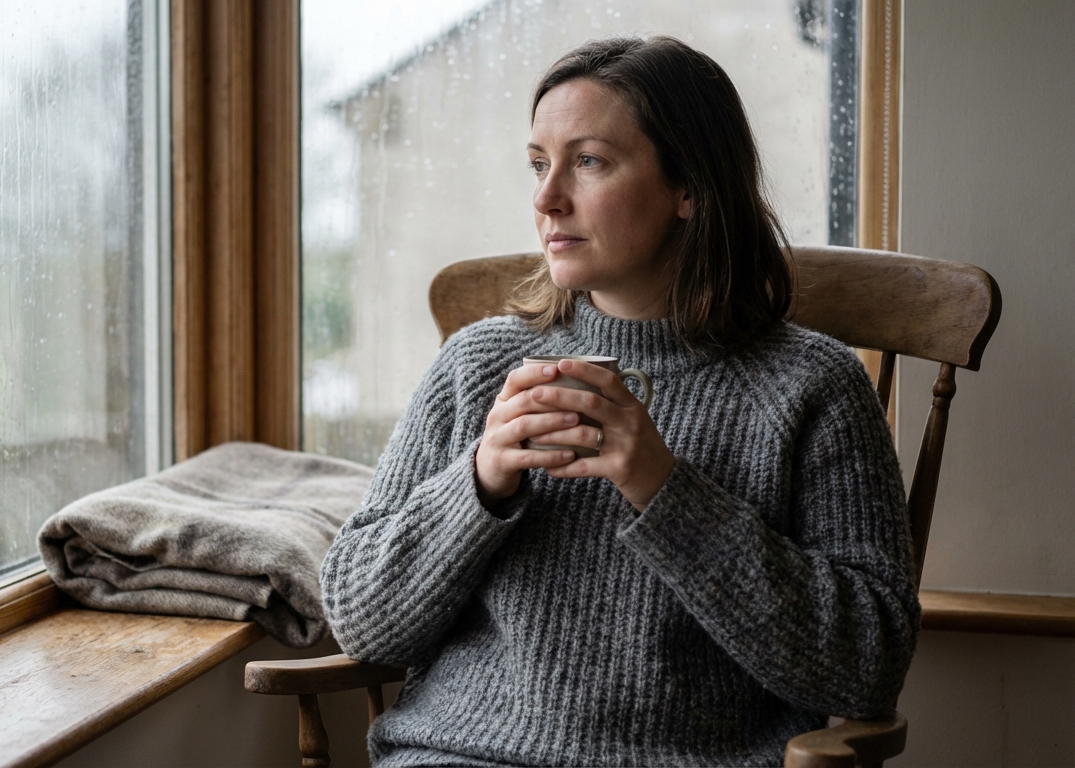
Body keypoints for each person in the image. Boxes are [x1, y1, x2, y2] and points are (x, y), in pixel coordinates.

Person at [319, 36, 919, 767]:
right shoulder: (476, 366)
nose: (546, 199)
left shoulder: (812, 388)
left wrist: (665, 490)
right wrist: (475, 483)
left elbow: (868, 664)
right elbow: (361, 623)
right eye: (539, 164)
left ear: (689, 188)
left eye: (589, 162)